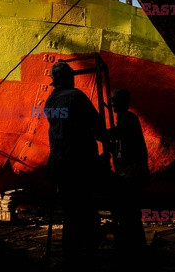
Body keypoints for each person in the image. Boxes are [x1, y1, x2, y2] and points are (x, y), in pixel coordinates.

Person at [44, 61, 107, 270]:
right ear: (69, 78)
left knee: (70, 211)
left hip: (59, 165)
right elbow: (97, 125)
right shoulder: (76, 97)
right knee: (86, 211)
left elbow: (60, 126)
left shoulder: (50, 101)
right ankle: (88, 255)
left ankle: (70, 255)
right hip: (79, 165)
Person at [107, 88, 150, 263]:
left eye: (115, 100)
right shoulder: (124, 120)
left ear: (124, 102)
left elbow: (118, 134)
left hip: (132, 173)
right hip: (129, 172)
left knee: (129, 212)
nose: (112, 104)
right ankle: (134, 248)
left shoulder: (128, 119)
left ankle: (133, 251)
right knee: (129, 212)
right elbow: (122, 144)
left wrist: (97, 132)